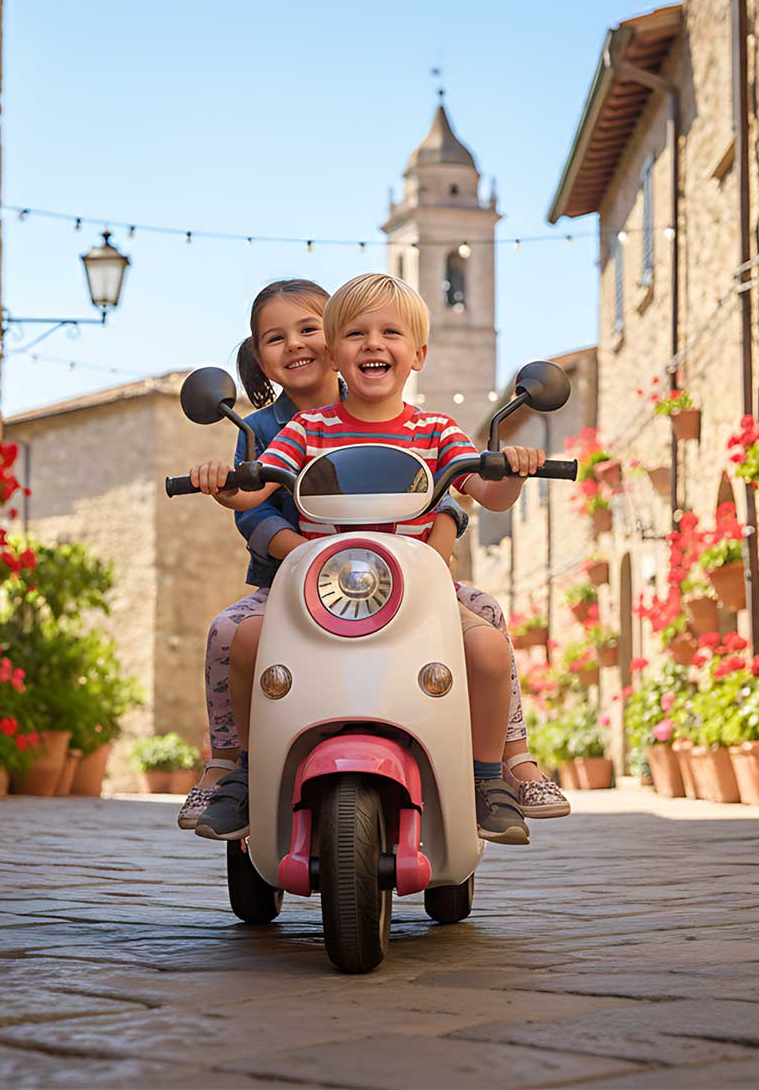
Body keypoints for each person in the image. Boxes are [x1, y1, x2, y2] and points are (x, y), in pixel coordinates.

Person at [189, 273, 564, 845]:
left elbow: (482, 495)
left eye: (391, 333)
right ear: (337, 353)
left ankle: (490, 774)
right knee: (240, 638)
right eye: (357, 333)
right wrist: (222, 481)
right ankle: (240, 769)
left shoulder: (436, 428)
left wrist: (510, 470)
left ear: (418, 354)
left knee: (485, 641)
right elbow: (252, 496)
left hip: (417, 588)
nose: (373, 344)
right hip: (310, 587)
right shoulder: (304, 429)